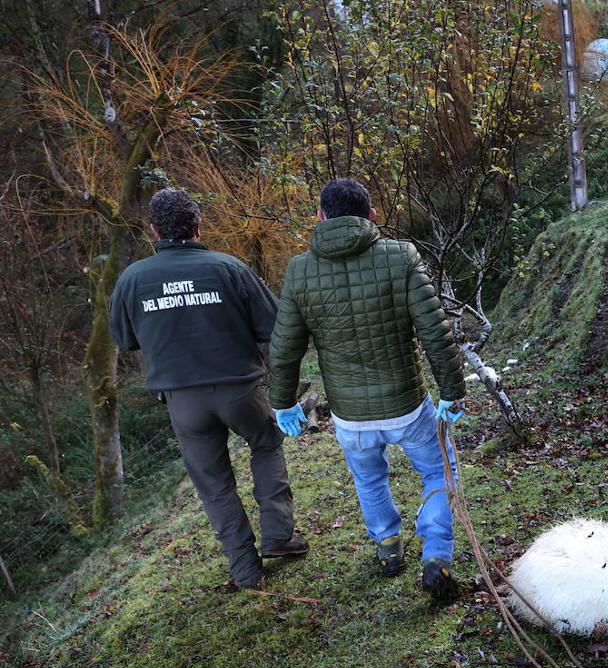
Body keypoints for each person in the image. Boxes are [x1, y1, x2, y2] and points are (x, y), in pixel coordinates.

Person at [267, 178, 467, 598]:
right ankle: (435, 553)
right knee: (436, 470)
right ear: (372, 216)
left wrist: (282, 402)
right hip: (408, 405)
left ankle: (388, 546)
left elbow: (285, 349)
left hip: (350, 415)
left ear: (320, 217)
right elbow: (435, 332)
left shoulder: (300, 271)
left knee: (369, 479)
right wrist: (451, 389)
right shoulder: (401, 257)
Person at [109, 188, 307, 590]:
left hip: (182, 400)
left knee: (214, 484)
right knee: (266, 445)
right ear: (198, 226)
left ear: (153, 230)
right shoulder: (228, 267)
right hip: (241, 387)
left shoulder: (131, 280)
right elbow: (273, 325)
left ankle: (245, 571)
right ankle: (279, 537)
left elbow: (125, 339)